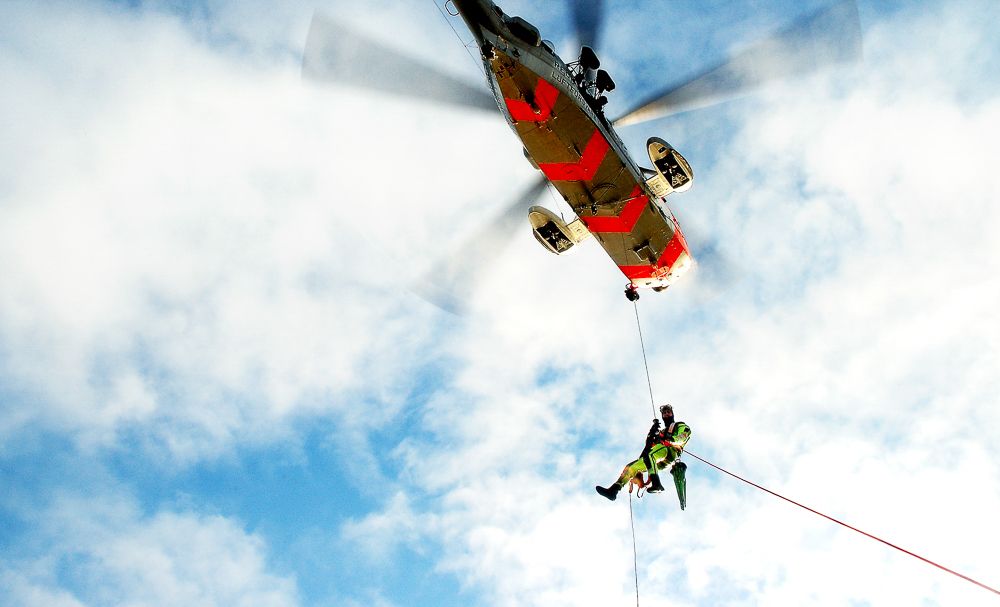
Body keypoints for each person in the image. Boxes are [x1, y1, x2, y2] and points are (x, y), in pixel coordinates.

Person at [596, 404, 691, 509]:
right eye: (664, 413)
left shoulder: (678, 425)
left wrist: (672, 439)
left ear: (672, 414)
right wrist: (652, 433)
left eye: (668, 412)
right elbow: (649, 445)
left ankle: (657, 484)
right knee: (632, 467)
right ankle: (614, 490)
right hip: (656, 459)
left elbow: (684, 435)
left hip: (670, 451)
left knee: (649, 455)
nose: (666, 414)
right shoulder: (661, 432)